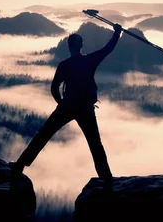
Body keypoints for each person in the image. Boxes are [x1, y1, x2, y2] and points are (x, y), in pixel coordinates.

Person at [9, 23, 123, 185]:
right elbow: (108, 49)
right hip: (85, 108)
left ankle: (20, 165)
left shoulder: (64, 65)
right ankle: (106, 177)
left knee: (43, 134)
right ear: (81, 45)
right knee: (95, 143)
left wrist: (61, 103)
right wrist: (117, 33)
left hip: (67, 106)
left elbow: (54, 88)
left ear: (69, 47)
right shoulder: (89, 61)